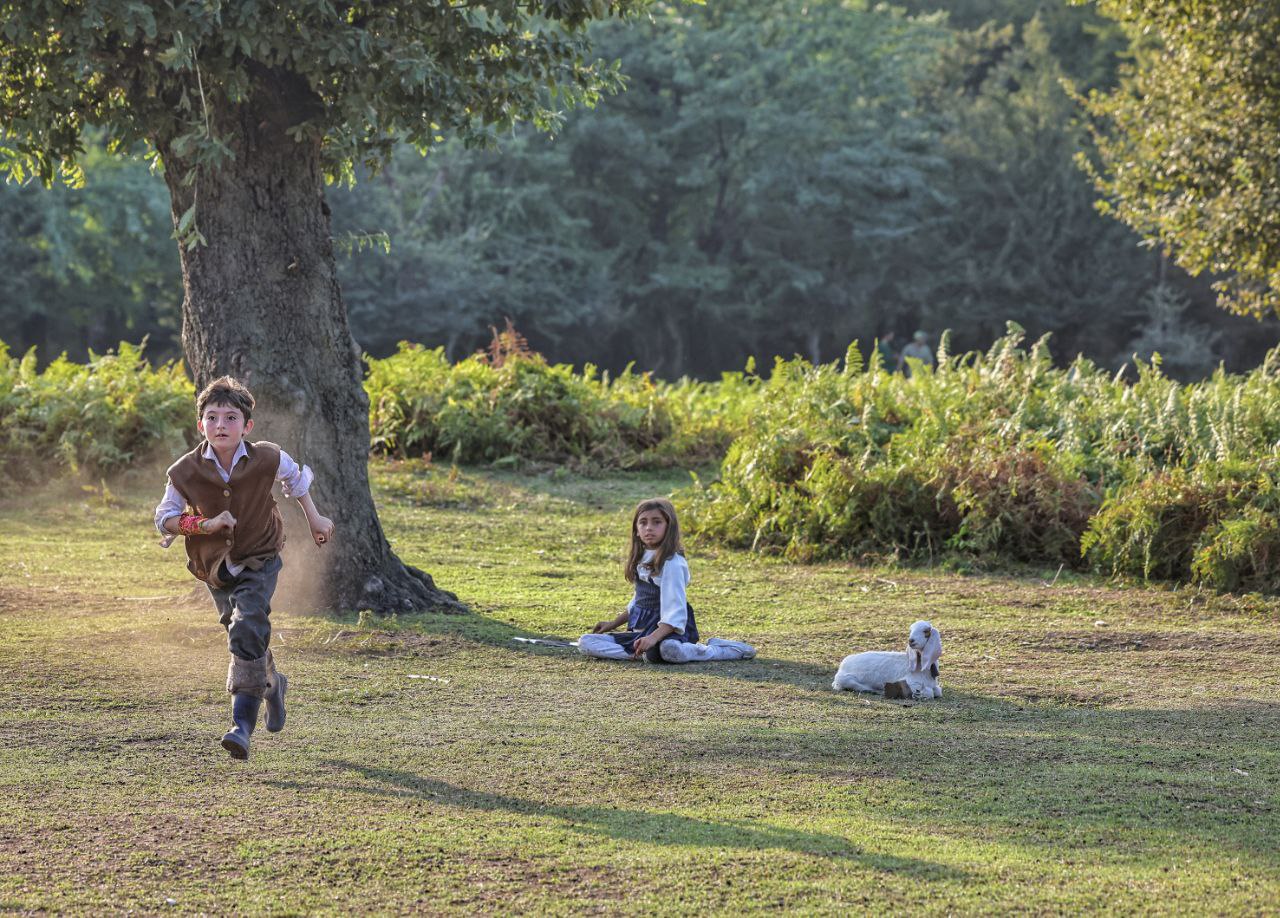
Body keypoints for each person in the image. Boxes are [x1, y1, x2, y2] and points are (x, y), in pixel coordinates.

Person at [154, 376, 335, 760]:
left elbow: (296, 481)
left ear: (247, 426)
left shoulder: (268, 457)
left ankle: (241, 726)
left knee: (248, 622)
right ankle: (272, 683)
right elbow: (165, 518)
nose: (221, 425)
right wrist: (204, 525)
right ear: (200, 424)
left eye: (231, 418)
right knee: (242, 634)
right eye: (212, 417)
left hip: (260, 557)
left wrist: (316, 520)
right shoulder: (183, 471)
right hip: (214, 568)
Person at [577, 498, 756, 664]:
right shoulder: (641, 557)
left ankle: (719, 649)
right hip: (642, 633)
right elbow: (638, 602)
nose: (649, 528)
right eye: (643, 522)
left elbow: (675, 611)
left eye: (657, 522)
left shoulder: (672, 563)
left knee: (670, 650)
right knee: (586, 642)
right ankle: (644, 653)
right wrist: (613, 624)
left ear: (669, 527)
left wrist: (653, 638)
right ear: (636, 530)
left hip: (668, 633)